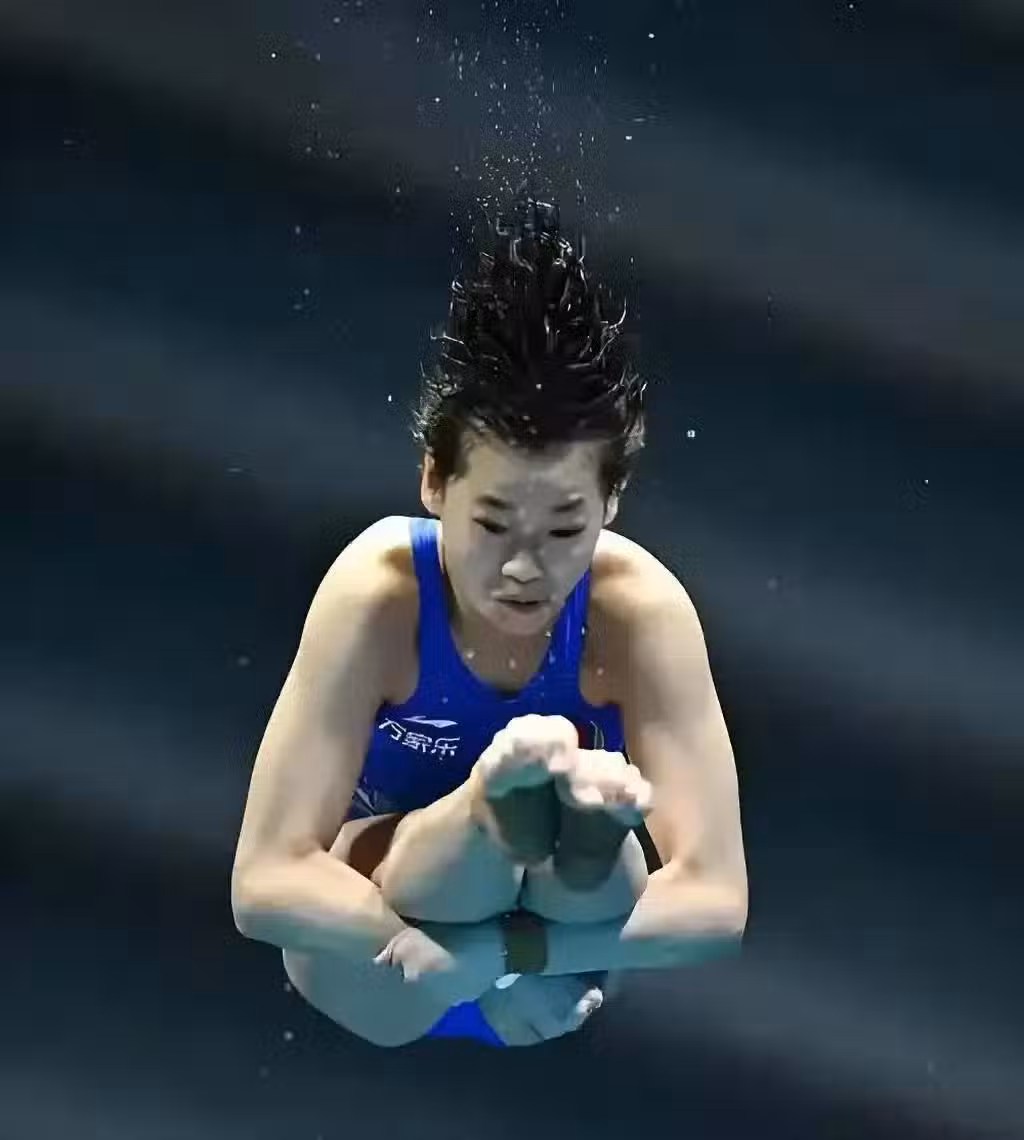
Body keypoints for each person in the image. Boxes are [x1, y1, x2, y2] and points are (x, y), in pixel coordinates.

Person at [231, 189, 748, 1048]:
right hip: (377, 956)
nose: (524, 567)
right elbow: (265, 883)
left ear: (613, 500)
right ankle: (495, 812)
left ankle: (562, 828)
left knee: (606, 865)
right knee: (457, 860)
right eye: (494, 524)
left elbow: (717, 901)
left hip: (545, 972)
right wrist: (458, 955)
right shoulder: (380, 591)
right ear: (435, 482)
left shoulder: (639, 612)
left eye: (565, 530)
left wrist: (508, 956)